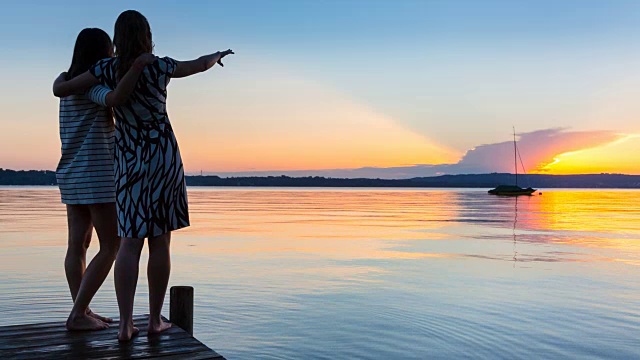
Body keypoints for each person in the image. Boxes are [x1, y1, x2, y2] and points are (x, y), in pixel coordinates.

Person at [53, 10, 233, 341]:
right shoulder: (160, 65)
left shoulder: (105, 70)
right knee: (160, 241)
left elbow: (64, 88)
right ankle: (152, 320)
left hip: (129, 162)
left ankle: (124, 324)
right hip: (163, 159)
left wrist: (61, 79)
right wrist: (217, 56)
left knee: (128, 244)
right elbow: (197, 64)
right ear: (147, 35)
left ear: (117, 40)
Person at [53, 27, 156, 331]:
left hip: (71, 173)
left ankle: (81, 311)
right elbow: (113, 98)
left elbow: (58, 86)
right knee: (111, 245)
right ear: (102, 54)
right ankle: (78, 314)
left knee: (78, 246)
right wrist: (137, 67)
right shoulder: (91, 86)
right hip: (97, 173)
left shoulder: (66, 83)